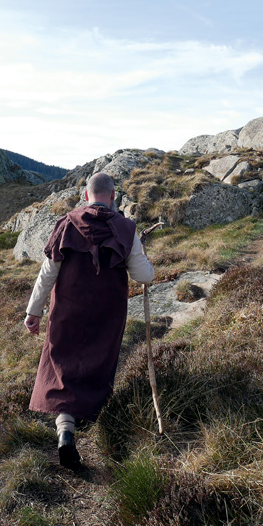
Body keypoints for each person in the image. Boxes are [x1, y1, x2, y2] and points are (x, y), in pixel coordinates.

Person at [24, 172, 154, 467]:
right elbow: (143, 275)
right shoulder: (125, 228)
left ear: (86, 196)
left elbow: (48, 274)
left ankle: (65, 428)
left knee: (64, 365)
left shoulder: (66, 224)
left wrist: (34, 312)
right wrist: (146, 259)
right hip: (107, 313)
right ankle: (89, 419)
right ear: (112, 196)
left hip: (67, 310)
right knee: (97, 363)